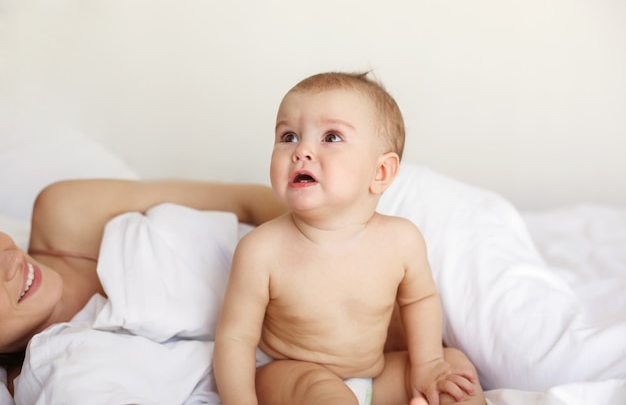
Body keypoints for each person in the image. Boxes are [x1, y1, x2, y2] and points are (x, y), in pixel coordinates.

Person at [213, 72, 485, 405]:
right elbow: (235, 338)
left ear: (380, 173)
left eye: (330, 136)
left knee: (456, 373)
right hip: (292, 375)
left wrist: (429, 365)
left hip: (375, 374)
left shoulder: (402, 240)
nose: (301, 151)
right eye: (288, 136)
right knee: (327, 395)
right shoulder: (262, 250)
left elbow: (420, 301)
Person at [0, 179, 287, 394]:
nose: (11, 259)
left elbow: (247, 200)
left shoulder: (63, 209)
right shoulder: (57, 380)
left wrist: (324, 254)